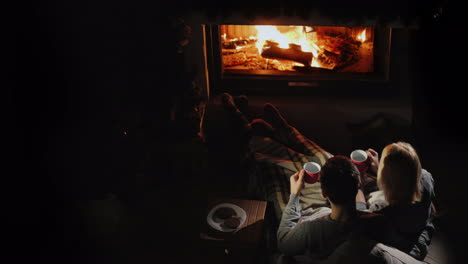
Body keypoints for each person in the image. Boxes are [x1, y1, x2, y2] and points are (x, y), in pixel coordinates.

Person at [276, 156, 386, 263]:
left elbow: (283, 242)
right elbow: (360, 206)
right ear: (359, 184)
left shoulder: (311, 230)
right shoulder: (374, 221)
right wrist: (370, 171)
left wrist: (294, 194)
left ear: (324, 193)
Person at [361, 142, 436, 260]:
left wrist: (358, 190)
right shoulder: (426, 176)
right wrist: (379, 167)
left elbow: (360, 219)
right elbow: (406, 177)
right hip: (422, 223)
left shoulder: (387, 213)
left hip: (404, 242)